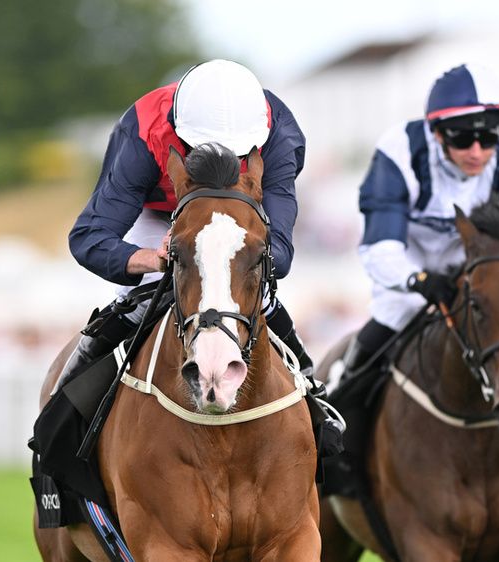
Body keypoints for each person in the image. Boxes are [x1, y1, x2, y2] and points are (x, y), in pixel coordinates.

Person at [62, 59, 314, 385]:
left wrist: (235, 256)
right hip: (159, 217)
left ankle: (311, 386)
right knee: (137, 298)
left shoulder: (279, 133)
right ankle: (66, 399)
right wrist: (153, 258)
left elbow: (280, 253)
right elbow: (89, 237)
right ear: (180, 132)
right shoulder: (143, 130)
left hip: (235, 222)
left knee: (261, 293)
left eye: (236, 155)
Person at [337, 63, 499, 383]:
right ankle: (344, 387)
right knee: (398, 309)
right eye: (462, 139)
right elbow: (380, 248)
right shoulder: (399, 152)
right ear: (437, 132)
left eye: (488, 138)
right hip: (409, 261)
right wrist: (418, 280)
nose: (476, 152)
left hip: (474, 263)